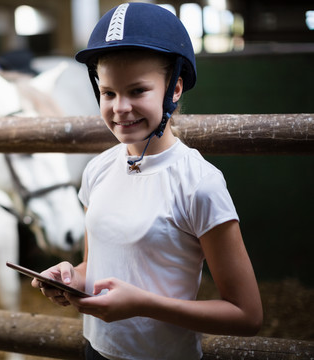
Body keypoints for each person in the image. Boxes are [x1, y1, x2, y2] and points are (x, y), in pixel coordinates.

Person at [31, 3, 263, 360]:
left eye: (137, 91)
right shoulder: (97, 170)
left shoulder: (198, 183)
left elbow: (247, 315)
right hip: (95, 348)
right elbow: (95, 265)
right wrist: (71, 278)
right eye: (108, 93)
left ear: (175, 89)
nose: (120, 107)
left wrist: (144, 305)